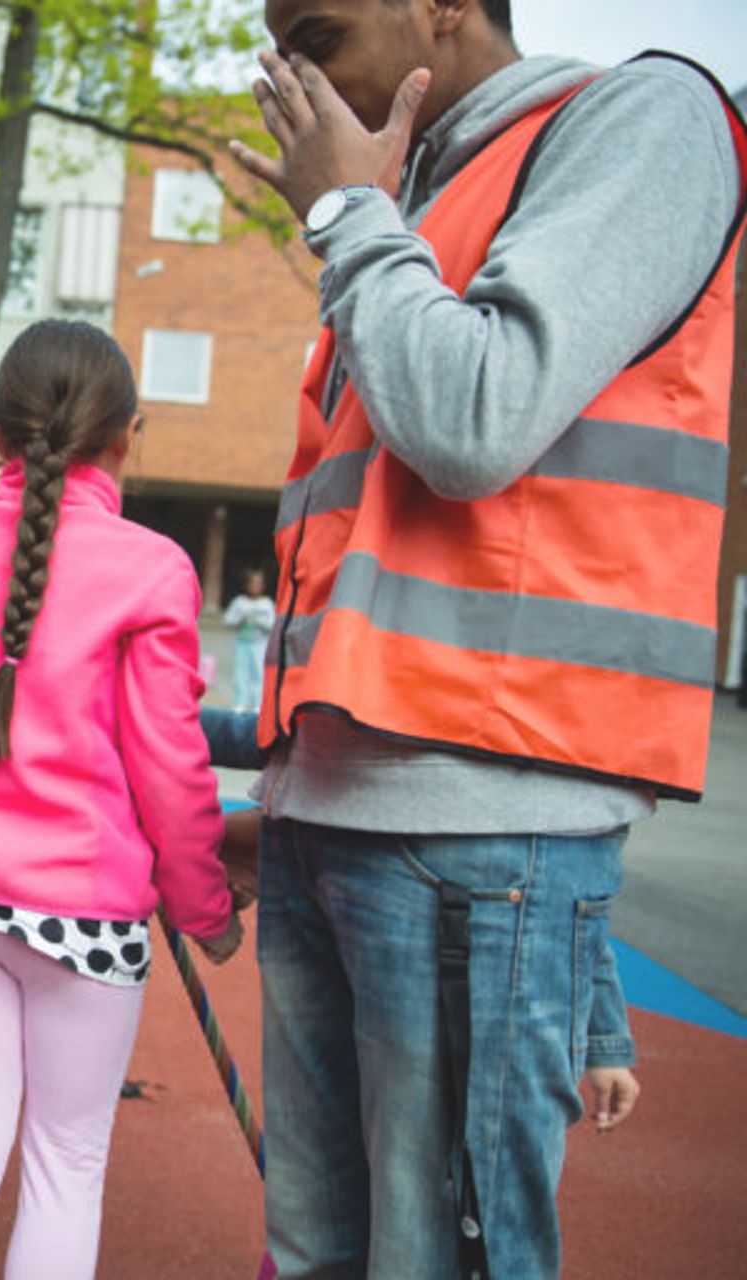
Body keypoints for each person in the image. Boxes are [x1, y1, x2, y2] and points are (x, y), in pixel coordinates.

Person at [227, 2, 744, 1275]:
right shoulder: (409, 212)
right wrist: (285, 791)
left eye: (319, 29)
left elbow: (475, 419)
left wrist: (351, 220)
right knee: (318, 1252)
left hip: (477, 819)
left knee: (436, 1258)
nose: (297, 76)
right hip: (343, 819)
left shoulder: (640, 117)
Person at [0, 319, 241, 1280]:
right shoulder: (151, 567)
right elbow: (170, 763)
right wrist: (204, 906)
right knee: (64, 1167)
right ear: (127, 435)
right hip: (83, 911)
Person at [222, 568, 274, 712]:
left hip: (260, 644)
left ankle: (257, 704)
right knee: (241, 672)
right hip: (243, 643)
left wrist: (259, 621)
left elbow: (272, 624)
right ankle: (240, 702)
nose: (255, 586)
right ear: (247, 585)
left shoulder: (267, 603)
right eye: (252, 583)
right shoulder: (240, 602)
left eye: (258, 583)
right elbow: (228, 620)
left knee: (258, 672)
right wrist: (240, 619)